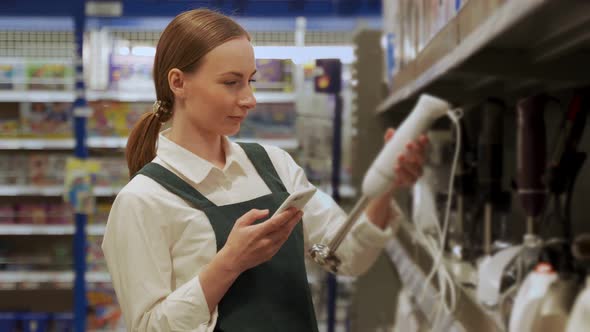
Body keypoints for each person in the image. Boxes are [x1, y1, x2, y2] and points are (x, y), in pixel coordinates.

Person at [102, 8, 429, 332]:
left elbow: (348, 255)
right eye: (231, 82)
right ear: (178, 82)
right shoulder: (142, 201)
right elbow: (148, 326)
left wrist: (388, 183)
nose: (250, 99)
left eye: (250, 81)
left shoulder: (275, 166)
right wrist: (229, 263)